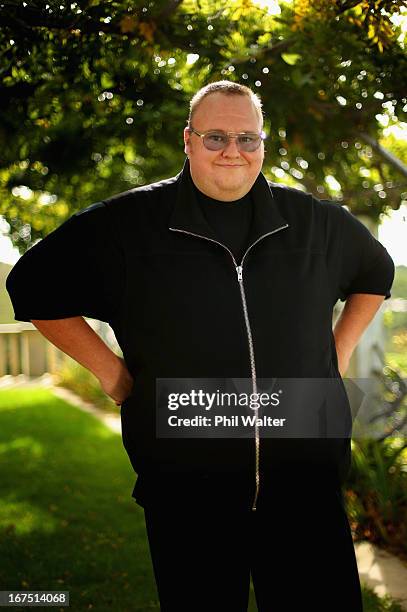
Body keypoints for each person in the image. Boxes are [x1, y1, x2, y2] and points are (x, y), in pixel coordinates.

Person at [6, 80, 394, 611]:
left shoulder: (313, 222)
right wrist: (111, 375)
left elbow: (377, 272)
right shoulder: (129, 224)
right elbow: (32, 285)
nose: (233, 150)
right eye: (215, 137)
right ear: (187, 140)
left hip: (308, 490)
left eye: (247, 138)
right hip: (187, 492)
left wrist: (338, 351)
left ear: (263, 144)